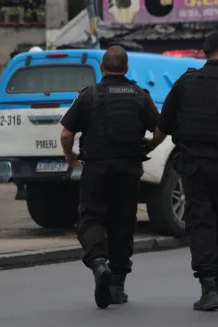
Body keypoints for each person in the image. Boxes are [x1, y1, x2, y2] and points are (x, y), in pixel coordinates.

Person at [144, 31, 218, 311]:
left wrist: (148, 146)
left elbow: (164, 124)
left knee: (199, 222)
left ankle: (208, 284)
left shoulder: (185, 82)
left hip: (193, 167)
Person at [59, 46, 160, 309]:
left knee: (91, 218)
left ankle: (99, 264)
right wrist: (149, 145)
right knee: (123, 223)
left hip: (97, 168)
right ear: (126, 69)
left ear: (102, 67)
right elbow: (161, 129)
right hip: (129, 170)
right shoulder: (140, 96)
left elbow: (66, 133)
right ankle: (117, 285)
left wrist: (69, 154)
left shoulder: (89, 96)